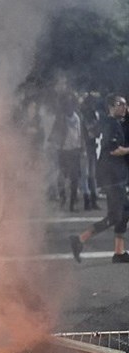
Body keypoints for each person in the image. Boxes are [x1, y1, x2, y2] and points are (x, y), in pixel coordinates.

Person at [70, 94, 129, 263]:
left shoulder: (108, 122)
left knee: (124, 212)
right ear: (110, 107)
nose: (124, 107)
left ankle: (119, 252)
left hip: (114, 174)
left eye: (125, 104)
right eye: (120, 104)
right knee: (115, 216)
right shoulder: (111, 124)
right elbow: (114, 150)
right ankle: (80, 239)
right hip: (112, 175)